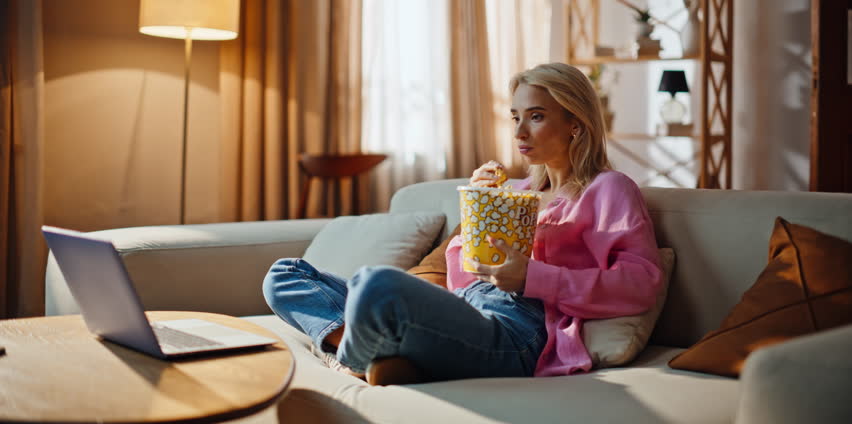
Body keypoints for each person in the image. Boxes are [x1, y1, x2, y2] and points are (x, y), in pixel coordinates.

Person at [262, 62, 663, 384]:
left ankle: (353, 361)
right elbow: (463, 278)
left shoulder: (609, 189)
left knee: (376, 285)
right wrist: (475, 212)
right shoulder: (518, 189)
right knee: (284, 275)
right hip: (466, 307)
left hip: (520, 332)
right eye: (515, 117)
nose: (520, 132)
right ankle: (382, 350)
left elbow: (641, 285)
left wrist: (532, 278)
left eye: (536, 117)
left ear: (576, 123)